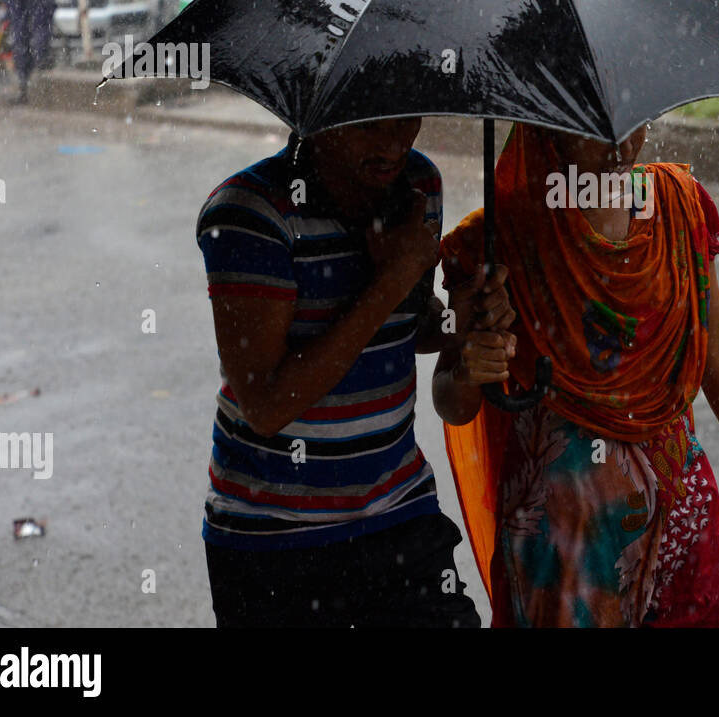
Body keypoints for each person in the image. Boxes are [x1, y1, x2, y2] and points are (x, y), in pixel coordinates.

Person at [433, 123, 719, 627]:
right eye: (596, 129)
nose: (622, 147)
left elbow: (716, 346)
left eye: (631, 122)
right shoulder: (496, 239)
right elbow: (452, 400)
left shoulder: (676, 207)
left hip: (681, 504)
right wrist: (472, 361)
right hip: (568, 536)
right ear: (547, 127)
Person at [195, 118, 509, 627]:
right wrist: (391, 278)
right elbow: (268, 406)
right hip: (273, 542)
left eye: (407, 113)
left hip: (400, 513)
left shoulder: (417, 185)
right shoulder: (248, 213)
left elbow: (410, 323)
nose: (394, 141)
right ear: (319, 115)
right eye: (371, 121)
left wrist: (462, 317)